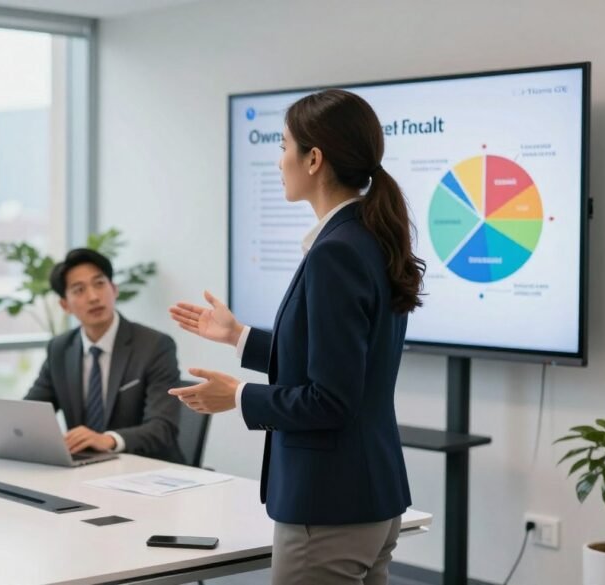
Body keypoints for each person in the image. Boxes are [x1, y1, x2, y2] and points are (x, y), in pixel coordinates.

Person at [169, 89, 425, 585]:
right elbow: (337, 362)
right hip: (368, 495)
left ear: (314, 158)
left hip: (328, 507)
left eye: (283, 145)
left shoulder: (337, 252)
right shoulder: (364, 237)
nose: (278, 159)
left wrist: (238, 396)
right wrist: (239, 336)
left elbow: (330, 399)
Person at [25, 248, 183, 462]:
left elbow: (163, 427)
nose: (93, 297)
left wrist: (108, 440)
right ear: (65, 305)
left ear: (114, 289)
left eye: (99, 284)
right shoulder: (60, 349)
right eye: (79, 290)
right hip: (85, 471)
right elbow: (31, 413)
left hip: (147, 470)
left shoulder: (155, 346)